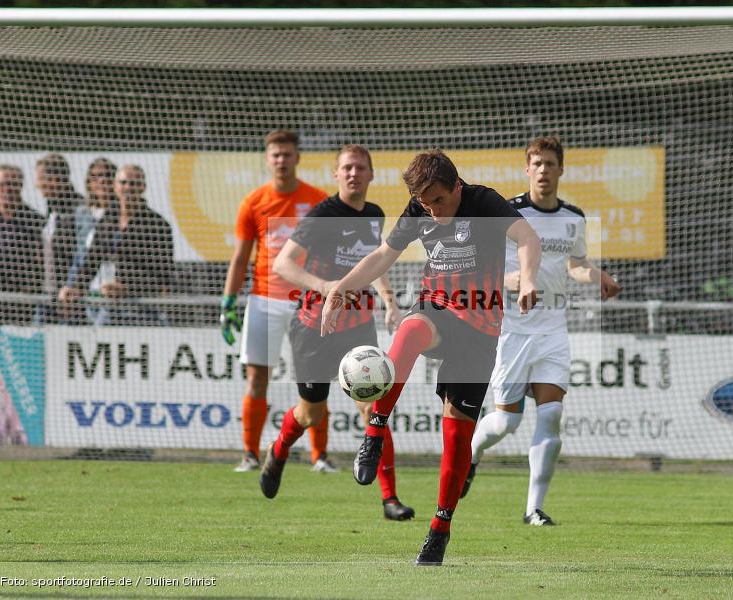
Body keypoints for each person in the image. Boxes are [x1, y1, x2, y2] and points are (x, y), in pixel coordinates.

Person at [320, 150, 541, 565]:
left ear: (456, 187)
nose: (432, 210)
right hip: (439, 306)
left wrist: (527, 279)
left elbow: (528, 238)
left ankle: (440, 529)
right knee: (411, 327)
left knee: (457, 438)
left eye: (438, 200)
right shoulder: (419, 207)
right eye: (424, 203)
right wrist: (342, 287)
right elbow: (384, 255)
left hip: (481, 328)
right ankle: (374, 431)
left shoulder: (484, 202)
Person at [463, 136, 620, 526]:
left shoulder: (573, 217)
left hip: (552, 329)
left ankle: (534, 508)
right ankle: (471, 456)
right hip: (512, 330)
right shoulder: (508, 213)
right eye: (537, 164)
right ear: (526, 169)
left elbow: (575, 263)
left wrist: (596, 274)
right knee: (506, 422)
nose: (544, 171)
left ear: (561, 170)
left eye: (551, 164)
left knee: (551, 416)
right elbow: (479, 261)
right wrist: (510, 278)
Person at [260, 144, 414, 520]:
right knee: (311, 413)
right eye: (346, 168)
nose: (353, 173)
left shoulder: (375, 215)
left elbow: (375, 263)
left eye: (360, 168)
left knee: (375, 408)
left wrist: (390, 302)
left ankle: (390, 499)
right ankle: (278, 450)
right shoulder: (322, 215)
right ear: (336, 174)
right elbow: (282, 264)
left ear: (371, 174)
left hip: (358, 326)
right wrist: (324, 285)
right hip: (314, 328)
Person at [219, 129, 331, 473]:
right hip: (264, 300)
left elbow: (329, 254)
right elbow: (241, 257)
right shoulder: (254, 202)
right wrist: (228, 303)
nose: (281, 160)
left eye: (287, 154)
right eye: (275, 155)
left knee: (316, 377)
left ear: (298, 157)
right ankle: (250, 455)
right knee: (257, 378)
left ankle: (320, 457)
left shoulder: (318, 200)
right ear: (267, 159)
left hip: (306, 301)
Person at [59, 164, 174, 326]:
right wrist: (74, 287)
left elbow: (163, 277)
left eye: (133, 184)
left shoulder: (157, 226)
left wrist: (127, 288)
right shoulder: (109, 219)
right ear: (115, 186)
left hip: (142, 309)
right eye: (123, 183)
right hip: (108, 305)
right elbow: (92, 259)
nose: (127, 188)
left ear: (143, 187)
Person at [0, 165, 44, 324]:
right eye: (2, 184)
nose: (7, 189)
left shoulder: (35, 221)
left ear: (21, 185)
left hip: (20, 301)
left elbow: (42, 261)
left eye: (12, 184)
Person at [66, 158, 117, 325]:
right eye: (95, 177)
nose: (101, 181)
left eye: (106, 176)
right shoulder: (82, 214)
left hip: (112, 293)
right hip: (89, 291)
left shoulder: (122, 214)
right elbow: (79, 257)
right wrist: (71, 285)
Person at [34, 153, 83, 324]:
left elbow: (81, 256)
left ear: (55, 180)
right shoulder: (51, 209)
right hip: (48, 293)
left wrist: (70, 287)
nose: (37, 185)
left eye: (41, 180)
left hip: (66, 297)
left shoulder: (79, 210)